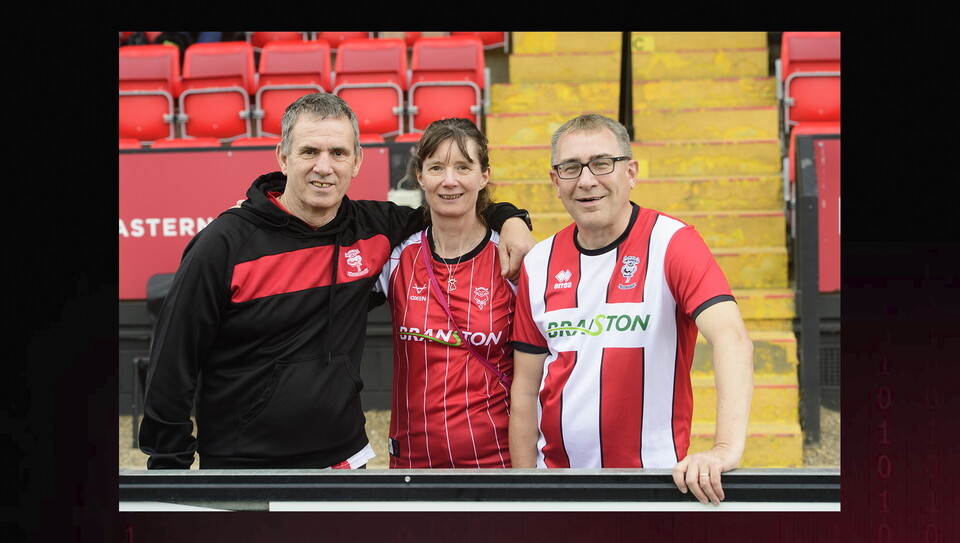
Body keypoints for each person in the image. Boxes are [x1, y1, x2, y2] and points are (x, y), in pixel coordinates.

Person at [138, 93, 534, 470]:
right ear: (283, 157)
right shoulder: (225, 244)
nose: (323, 167)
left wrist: (510, 219)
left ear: (357, 161)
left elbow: (453, 206)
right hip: (244, 468)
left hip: (344, 463)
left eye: (338, 153)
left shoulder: (375, 229)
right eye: (309, 151)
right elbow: (173, 364)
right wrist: (169, 472)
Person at [508, 114, 754, 506]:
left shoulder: (673, 242)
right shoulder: (538, 262)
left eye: (602, 163)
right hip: (557, 489)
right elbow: (524, 388)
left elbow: (732, 338)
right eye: (571, 168)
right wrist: (524, 489)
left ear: (631, 172)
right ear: (556, 182)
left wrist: (724, 447)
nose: (586, 180)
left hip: (655, 487)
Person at [371, 118, 515, 468]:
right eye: (437, 167)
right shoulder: (396, 257)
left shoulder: (513, 259)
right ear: (420, 176)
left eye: (463, 167)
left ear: (483, 176)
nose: (449, 180)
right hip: (412, 465)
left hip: (497, 463)